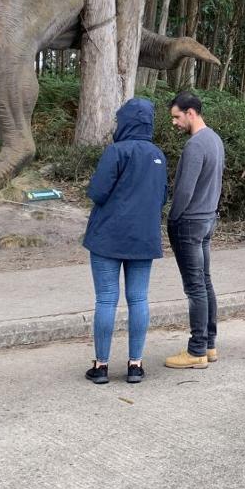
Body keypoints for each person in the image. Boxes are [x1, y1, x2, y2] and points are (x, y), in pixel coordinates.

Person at [82, 97, 167, 385]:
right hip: (144, 237)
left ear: (127, 121)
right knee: (139, 298)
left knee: (106, 298)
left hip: (108, 236)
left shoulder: (116, 151)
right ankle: (135, 364)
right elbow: (162, 197)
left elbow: (98, 192)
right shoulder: (158, 155)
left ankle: (101, 365)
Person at [165, 92, 226, 370]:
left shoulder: (195, 145)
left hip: (190, 223)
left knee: (195, 289)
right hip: (207, 219)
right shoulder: (214, 139)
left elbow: (185, 190)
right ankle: (209, 345)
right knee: (205, 283)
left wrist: (172, 218)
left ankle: (196, 350)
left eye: (177, 116)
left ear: (191, 113)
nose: (174, 123)